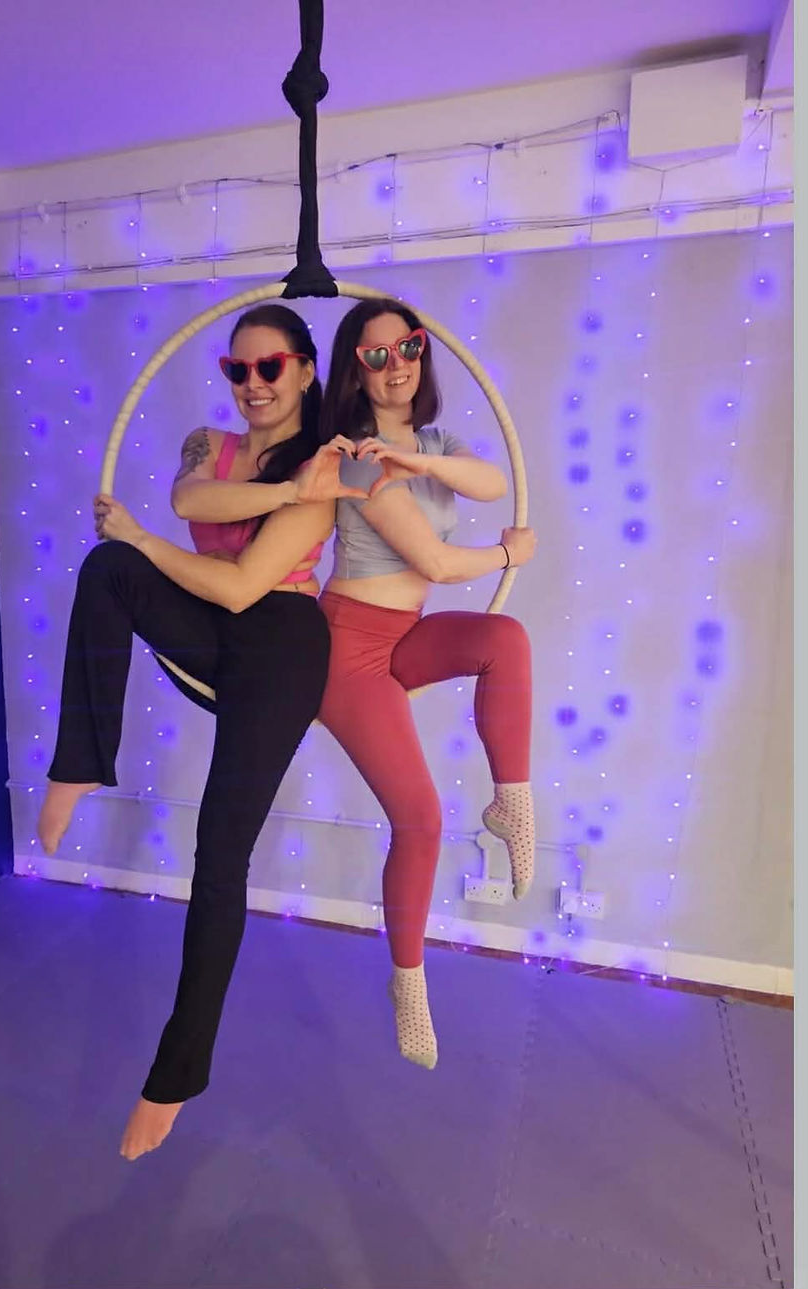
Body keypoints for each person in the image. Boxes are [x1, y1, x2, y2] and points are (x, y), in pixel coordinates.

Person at [37, 304, 363, 1159]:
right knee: (109, 567)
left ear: (303, 372)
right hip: (210, 624)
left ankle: (173, 1078)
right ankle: (77, 763)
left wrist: (158, 533)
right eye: (238, 370)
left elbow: (241, 586)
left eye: (271, 369)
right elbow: (193, 497)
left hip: (279, 646)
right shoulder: (207, 444)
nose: (252, 385)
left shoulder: (323, 463)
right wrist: (165, 532)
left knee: (219, 852)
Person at [316, 297, 537, 1071]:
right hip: (348, 649)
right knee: (421, 820)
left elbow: (485, 482)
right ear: (353, 369)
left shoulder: (431, 443)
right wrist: (507, 557)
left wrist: (421, 459)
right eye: (374, 355)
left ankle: (510, 802)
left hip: (405, 635)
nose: (395, 364)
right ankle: (407, 981)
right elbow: (436, 564)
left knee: (504, 639)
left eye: (405, 347)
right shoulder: (351, 454)